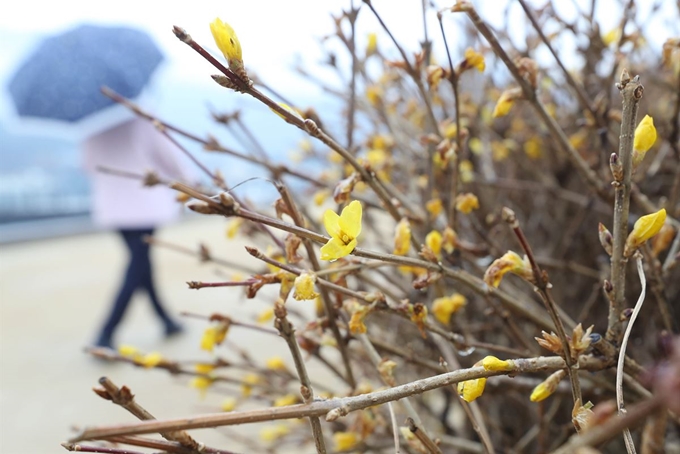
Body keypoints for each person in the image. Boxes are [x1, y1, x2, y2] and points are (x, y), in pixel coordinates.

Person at [82, 117, 189, 349]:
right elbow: (167, 156)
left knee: (140, 264)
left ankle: (166, 320)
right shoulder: (141, 117)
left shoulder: (91, 123)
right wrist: (190, 182)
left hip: (112, 207)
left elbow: (88, 165)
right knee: (137, 266)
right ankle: (106, 333)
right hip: (144, 203)